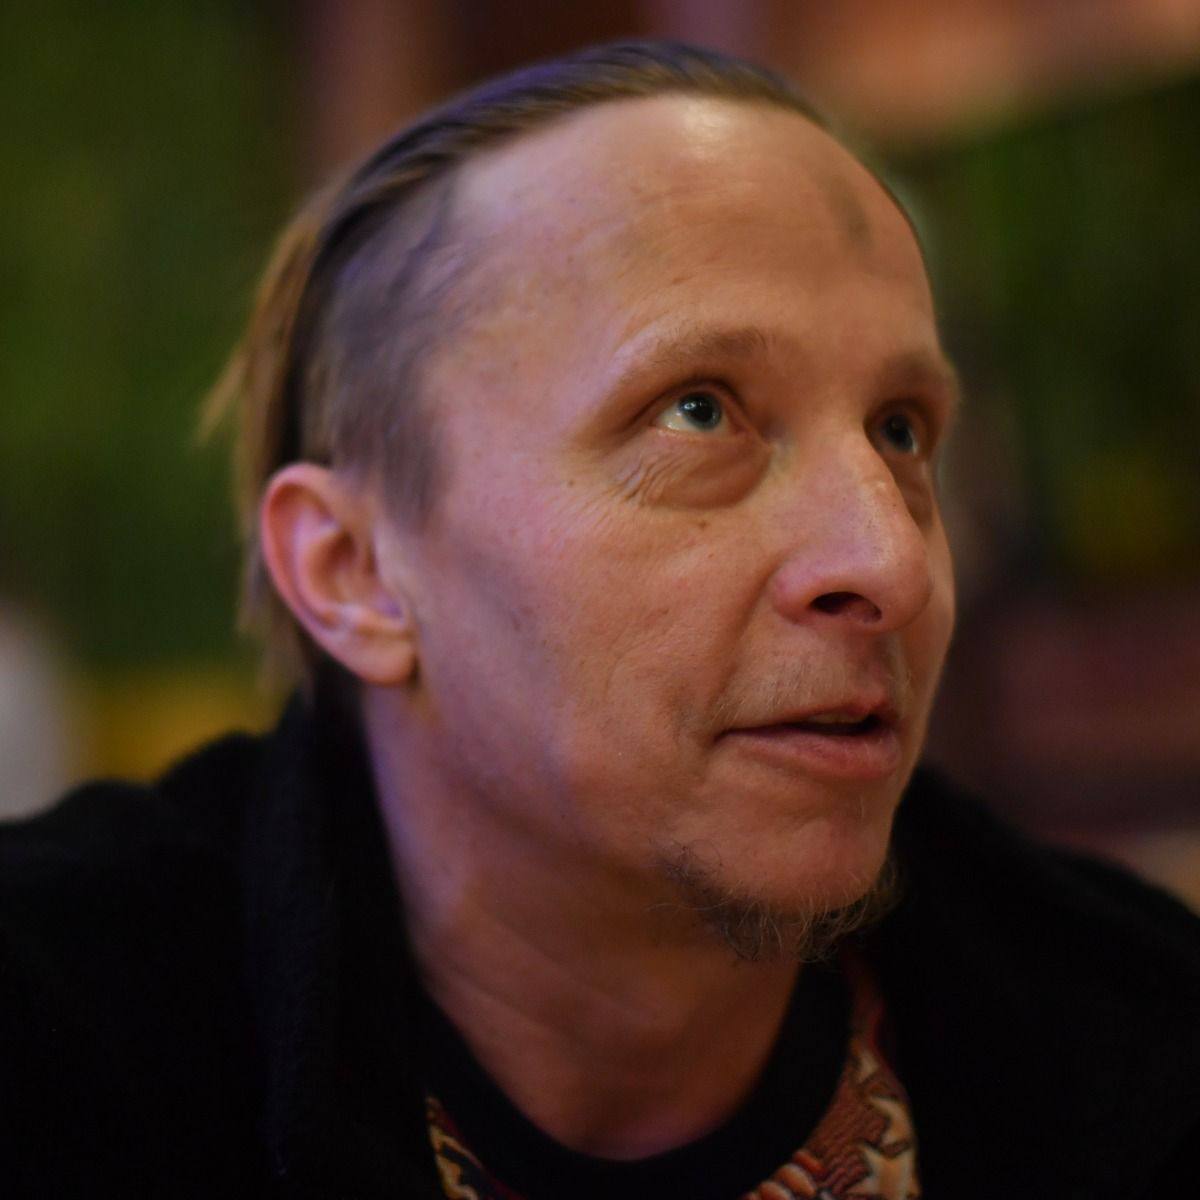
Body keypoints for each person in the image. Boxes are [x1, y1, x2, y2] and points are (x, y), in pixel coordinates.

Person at [2, 41, 1197, 1200]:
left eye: (902, 432)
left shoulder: (1139, 1035)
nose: (891, 563)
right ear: (354, 572)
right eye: (697, 411)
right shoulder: (63, 1040)